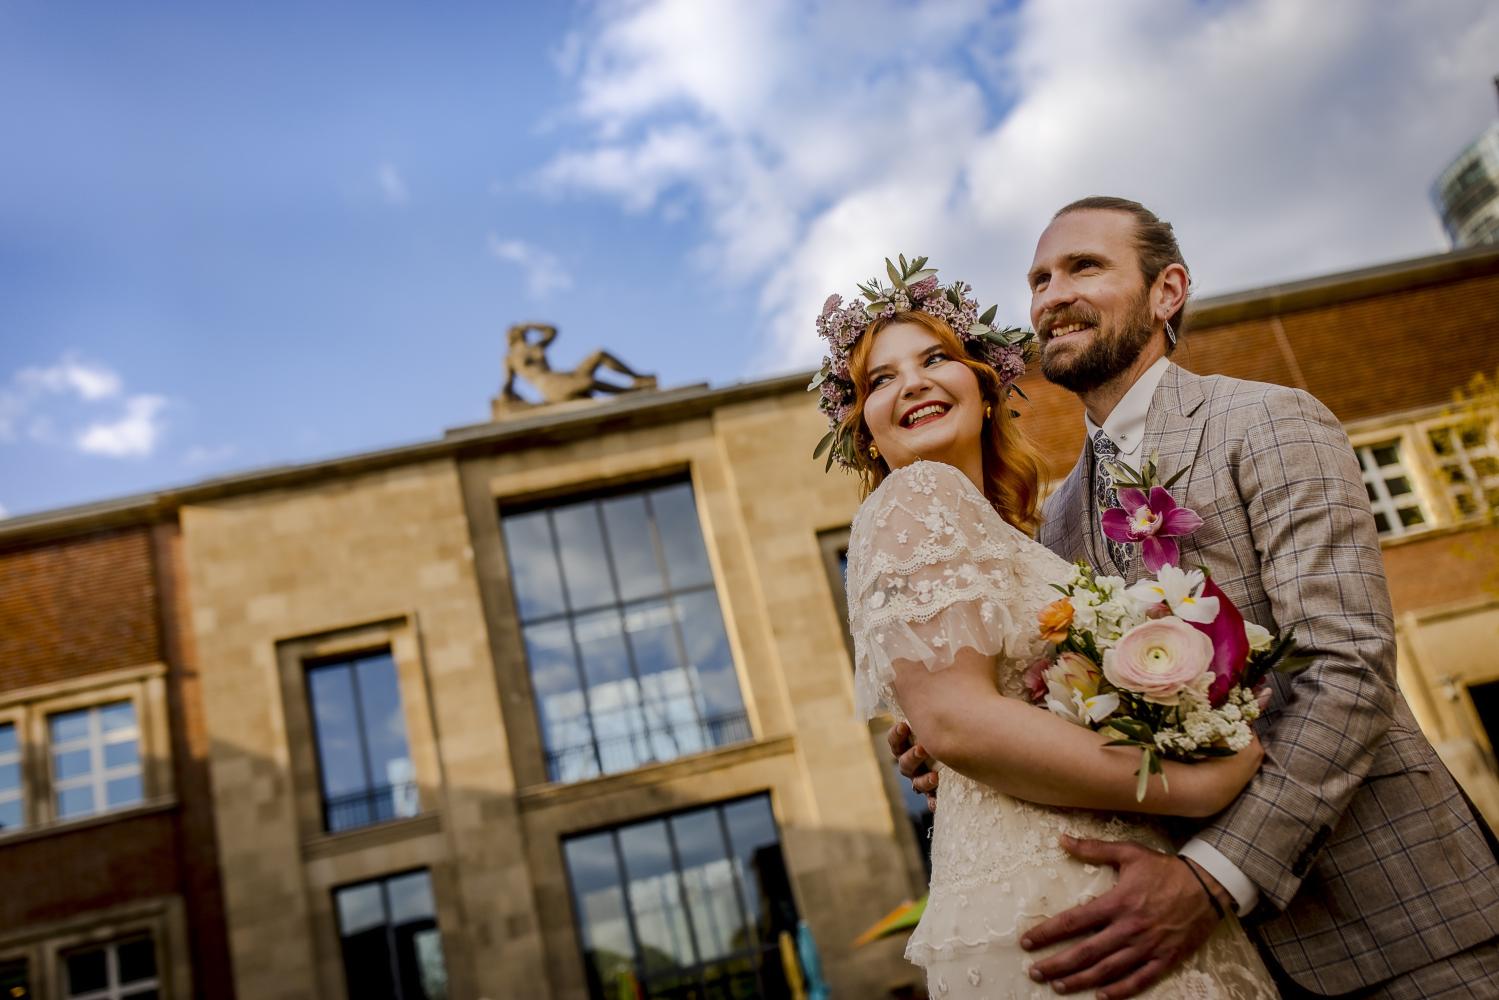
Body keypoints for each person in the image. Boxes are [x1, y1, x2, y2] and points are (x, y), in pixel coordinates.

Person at [892, 197, 1499, 998]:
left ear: (1166, 290)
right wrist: (976, 733)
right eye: (1037, 279)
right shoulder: (1056, 520)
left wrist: (1213, 876)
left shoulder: (1268, 422)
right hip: (1214, 965)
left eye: (1083, 267)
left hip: (1396, 920)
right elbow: (1088, 719)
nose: (1049, 296)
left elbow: (1346, 669)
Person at [815, 259, 1280, 998]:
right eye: (879, 379)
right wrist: (1192, 783)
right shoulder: (915, 496)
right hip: (1051, 889)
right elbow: (959, 721)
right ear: (863, 430)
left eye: (936, 358)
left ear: (986, 384)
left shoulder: (1025, 535)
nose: (912, 384)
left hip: (1119, 879)